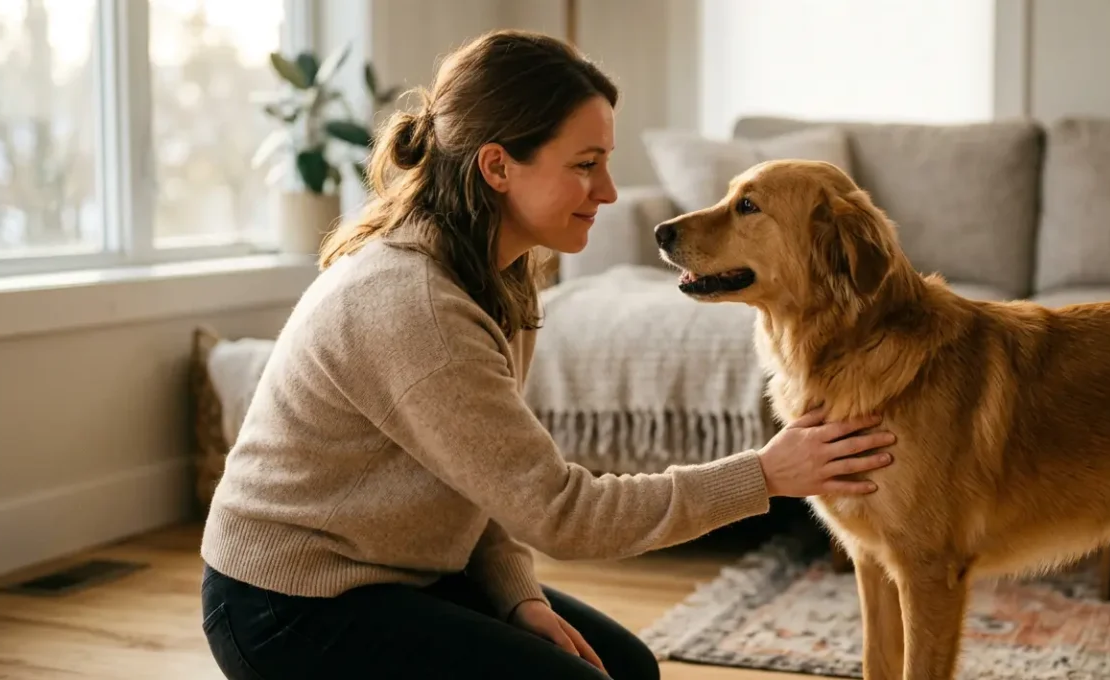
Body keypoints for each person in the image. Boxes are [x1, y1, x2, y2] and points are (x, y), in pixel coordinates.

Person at [199, 28, 897, 680]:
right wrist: (764, 475)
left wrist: (516, 595)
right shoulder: (419, 308)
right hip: (288, 603)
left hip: (400, 568)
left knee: (628, 669)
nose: (609, 192)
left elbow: (484, 475)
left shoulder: (498, 275)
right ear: (498, 166)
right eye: (586, 165)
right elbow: (560, 512)